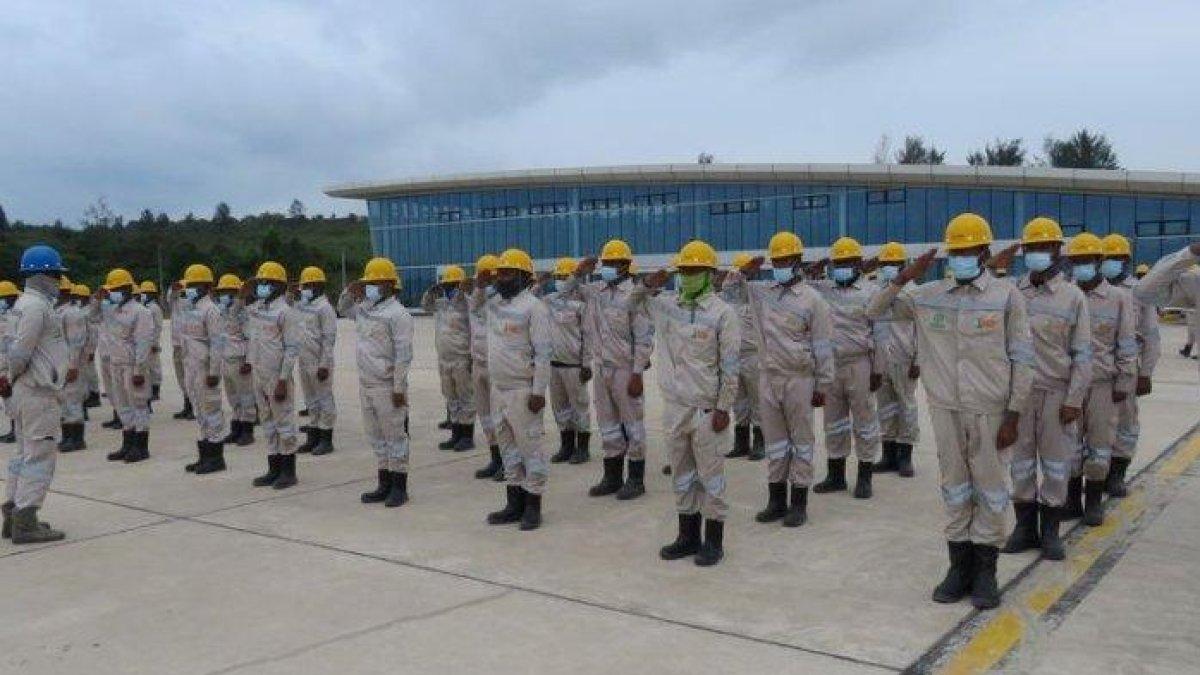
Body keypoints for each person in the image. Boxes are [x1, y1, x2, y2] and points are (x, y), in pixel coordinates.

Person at [868, 213, 1033, 610]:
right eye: (954, 251)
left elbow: (1022, 356)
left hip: (991, 410)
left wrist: (1014, 413)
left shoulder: (1007, 296)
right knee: (955, 486)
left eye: (968, 251)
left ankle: (986, 571)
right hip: (945, 409)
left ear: (983, 252)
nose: (961, 257)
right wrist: (905, 276)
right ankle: (958, 568)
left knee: (991, 489)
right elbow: (873, 309)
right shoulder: (927, 295)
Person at [635, 240, 739, 565]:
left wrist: (724, 407)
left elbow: (730, 366)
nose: (689, 275)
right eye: (684, 270)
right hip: (675, 408)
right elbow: (628, 303)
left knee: (711, 476)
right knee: (682, 474)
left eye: (695, 270)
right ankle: (687, 535)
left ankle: (714, 540)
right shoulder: (667, 306)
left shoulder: (723, 313)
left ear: (710, 274)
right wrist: (648, 284)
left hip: (707, 411)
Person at [722, 232, 834, 529]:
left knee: (801, 442)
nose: (780, 264)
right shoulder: (762, 292)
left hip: (799, 379)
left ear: (797, 261)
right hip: (768, 377)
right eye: (776, 260)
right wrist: (745, 271)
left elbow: (823, 345)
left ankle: (799, 502)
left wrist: (823, 385)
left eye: (785, 259)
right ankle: (776, 500)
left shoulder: (814, 300)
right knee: (775, 443)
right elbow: (730, 292)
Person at [994, 218, 1090, 561]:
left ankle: (1050, 531)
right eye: (1031, 248)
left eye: (1044, 248)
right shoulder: (1012, 292)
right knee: (1020, 464)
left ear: (1057, 251)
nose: (1037, 254)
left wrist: (1074, 399)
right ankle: (1024, 528)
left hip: (1055, 394)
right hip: (1018, 396)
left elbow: (1082, 353)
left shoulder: (1072, 297)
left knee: (1055, 465)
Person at [570, 240, 655, 501]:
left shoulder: (635, 295)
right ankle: (612, 476)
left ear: (626, 267)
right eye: (606, 263)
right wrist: (578, 271)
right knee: (607, 424)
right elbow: (568, 290)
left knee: (632, 425)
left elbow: (643, 338)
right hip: (602, 368)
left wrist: (638, 373)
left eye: (614, 263)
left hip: (625, 369)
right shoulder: (597, 291)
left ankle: (636, 479)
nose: (609, 267)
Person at [1062, 233, 1136, 527]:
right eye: (1076, 261)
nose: (1081, 266)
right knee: (1069, 444)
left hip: (1103, 384)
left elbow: (1127, 343)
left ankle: (1093, 501)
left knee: (1099, 443)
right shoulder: (1066, 294)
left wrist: (1125, 382)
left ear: (1098, 262)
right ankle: (1071, 500)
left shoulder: (1119, 298)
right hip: (1069, 384)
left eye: (1087, 261)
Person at [476, 248, 552, 531]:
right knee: (508, 449)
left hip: (523, 390)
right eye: (500, 273)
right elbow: (474, 305)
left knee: (530, 448)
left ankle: (533, 505)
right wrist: (481, 284)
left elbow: (543, 354)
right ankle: (513, 503)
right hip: (499, 389)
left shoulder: (534, 307)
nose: (502, 278)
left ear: (522, 276)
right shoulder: (494, 304)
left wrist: (538, 392)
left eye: (507, 273)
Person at [2, 245, 70, 544]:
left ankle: (13, 513)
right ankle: (26, 520)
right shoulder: (35, 306)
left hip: (23, 391)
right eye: (56, 273)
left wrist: (7, 379)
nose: (59, 279)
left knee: (23, 454)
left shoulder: (23, 303)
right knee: (40, 456)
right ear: (43, 274)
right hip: (36, 392)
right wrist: (9, 376)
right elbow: (20, 351)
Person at [810, 236, 883, 499]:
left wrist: (878, 369)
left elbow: (879, 333)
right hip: (830, 366)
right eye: (837, 262)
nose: (841, 267)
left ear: (859, 264)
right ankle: (836, 475)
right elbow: (799, 290)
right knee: (833, 421)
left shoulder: (871, 292)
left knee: (864, 420)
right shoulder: (824, 290)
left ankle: (865, 476)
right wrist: (812, 270)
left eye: (847, 262)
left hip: (859, 364)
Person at [338, 258, 415, 508]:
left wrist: (399, 388)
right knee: (376, 438)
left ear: (388, 284)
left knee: (395, 437)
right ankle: (383, 484)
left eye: (374, 282)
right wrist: (350, 291)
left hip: (387, 386)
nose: (369, 286)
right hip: (366, 384)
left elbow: (404, 355)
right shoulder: (364, 309)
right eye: (367, 281)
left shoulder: (398, 314)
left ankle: (399, 487)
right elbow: (342, 308)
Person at [1101, 234, 1159, 498]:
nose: (1109, 262)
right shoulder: (1086, 288)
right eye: (1105, 258)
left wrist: (1146, 373)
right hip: (1095, 369)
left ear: (1125, 260)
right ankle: (1095, 474)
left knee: (1125, 423)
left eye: (1114, 258)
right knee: (1094, 426)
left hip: (1127, 368)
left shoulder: (1140, 291)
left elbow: (1151, 335)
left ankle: (1117, 474)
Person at [244, 261, 303, 489]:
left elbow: (291, 349)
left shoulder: (286, 313)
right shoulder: (257, 309)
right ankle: (273, 468)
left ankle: (288, 471)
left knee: (284, 422)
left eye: (267, 282)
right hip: (259, 374)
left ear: (279, 286)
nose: (262, 286)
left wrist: (282, 380)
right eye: (260, 282)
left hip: (278, 377)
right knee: (267, 422)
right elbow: (252, 338)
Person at [93, 268, 155, 463]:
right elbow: (90, 316)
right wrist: (97, 298)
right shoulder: (112, 309)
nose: (113, 292)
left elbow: (143, 342)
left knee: (138, 404)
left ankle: (141, 446)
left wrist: (139, 370)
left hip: (132, 365)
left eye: (117, 288)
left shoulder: (140, 312)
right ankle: (127, 443)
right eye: (111, 289)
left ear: (128, 288)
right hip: (116, 364)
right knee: (122, 405)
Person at [871, 242, 920, 477]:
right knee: (885, 407)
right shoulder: (876, 292)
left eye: (894, 264)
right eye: (885, 264)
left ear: (903, 266)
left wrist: (918, 360)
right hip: (881, 360)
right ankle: (888, 454)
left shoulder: (913, 293)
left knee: (906, 406)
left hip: (904, 358)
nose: (889, 268)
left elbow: (923, 330)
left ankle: (905, 456)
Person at [177, 264, 230, 475]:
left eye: (193, 284)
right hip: (191, 367)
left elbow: (217, 344)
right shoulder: (191, 308)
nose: (189, 288)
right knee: (200, 411)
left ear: (206, 286)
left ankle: (216, 458)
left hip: (206, 369)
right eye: (188, 284)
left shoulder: (211, 310)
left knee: (212, 412)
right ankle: (204, 456)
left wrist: (214, 372)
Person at [540, 257, 593, 465]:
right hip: (554, 365)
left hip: (574, 366)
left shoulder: (582, 305)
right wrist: (539, 283)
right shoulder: (550, 300)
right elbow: (532, 297)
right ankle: (566, 445)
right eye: (558, 277)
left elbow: (588, 336)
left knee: (579, 407)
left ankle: (582, 448)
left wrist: (586, 364)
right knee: (560, 408)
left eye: (565, 276)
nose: (561, 280)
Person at [421, 265, 475, 452]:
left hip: (462, 357)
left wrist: (465, 292)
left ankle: (467, 436)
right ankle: (456, 434)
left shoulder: (467, 303)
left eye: (453, 284)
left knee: (465, 397)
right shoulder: (441, 303)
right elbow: (425, 307)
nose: (449, 288)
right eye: (445, 285)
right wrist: (430, 293)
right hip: (444, 357)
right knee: (451, 397)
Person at [720, 252, 765, 462]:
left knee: (758, 401)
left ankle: (759, 442)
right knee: (739, 402)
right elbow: (730, 282)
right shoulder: (728, 299)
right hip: (733, 357)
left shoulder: (757, 297)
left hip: (754, 356)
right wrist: (742, 270)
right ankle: (741, 443)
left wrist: (747, 272)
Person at [468, 254, 505, 480]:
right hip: (478, 364)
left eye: (490, 279)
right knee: (486, 416)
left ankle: (508, 461)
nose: (486, 283)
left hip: (497, 367)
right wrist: (480, 287)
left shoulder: (504, 300)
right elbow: (474, 302)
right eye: (483, 279)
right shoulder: (477, 299)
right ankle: (495, 458)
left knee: (501, 417)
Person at [295, 266, 338, 455]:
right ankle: (313, 435)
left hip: (319, 362)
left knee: (324, 400)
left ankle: (326, 439)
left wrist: (324, 365)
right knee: (310, 400)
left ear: (319, 286)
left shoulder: (325, 308)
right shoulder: (304, 306)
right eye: (304, 285)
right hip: (304, 360)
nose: (305, 288)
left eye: (309, 285)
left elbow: (329, 340)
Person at [214, 274, 255, 447]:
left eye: (228, 291)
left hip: (240, 360)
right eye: (222, 291)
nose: (223, 294)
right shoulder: (221, 311)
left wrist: (249, 361)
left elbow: (251, 338)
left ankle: (247, 430)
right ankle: (236, 427)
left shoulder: (244, 313)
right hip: (225, 358)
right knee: (232, 396)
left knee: (245, 396)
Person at [54, 276, 89, 453]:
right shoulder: (58, 311)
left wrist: (73, 366)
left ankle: (77, 439)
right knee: (63, 400)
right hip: (60, 364)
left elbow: (76, 342)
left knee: (72, 400)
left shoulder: (73, 313)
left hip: (71, 364)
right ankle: (67, 436)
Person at [169, 280, 195, 420]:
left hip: (190, 345)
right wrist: (175, 289)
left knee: (191, 378)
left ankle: (193, 406)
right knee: (181, 378)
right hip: (177, 344)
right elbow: (171, 295)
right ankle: (187, 405)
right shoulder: (175, 300)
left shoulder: (194, 303)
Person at [0, 282, 21, 444]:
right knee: (7, 397)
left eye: (5, 297)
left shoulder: (20, 314)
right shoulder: (4, 314)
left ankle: (18, 430)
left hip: (15, 362)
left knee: (16, 397)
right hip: (3, 362)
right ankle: (14, 429)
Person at [138, 281, 164, 404]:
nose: (144, 295)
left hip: (152, 342)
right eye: (143, 292)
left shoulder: (155, 308)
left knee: (154, 368)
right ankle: (149, 390)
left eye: (147, 293)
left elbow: (158, 327)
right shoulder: (143, 307)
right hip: (144, 342)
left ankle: (155, 391)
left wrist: (154, 343)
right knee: (146, 367)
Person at [79, 283, 102, 416]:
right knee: (85, 374)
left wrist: (91, 350)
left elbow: (92, 333)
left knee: (90, 373)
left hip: (87, 347)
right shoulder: (79, 309)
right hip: (81, 347)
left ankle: (94, 394)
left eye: (81, 297)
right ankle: (89, 395)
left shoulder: (89, 310)